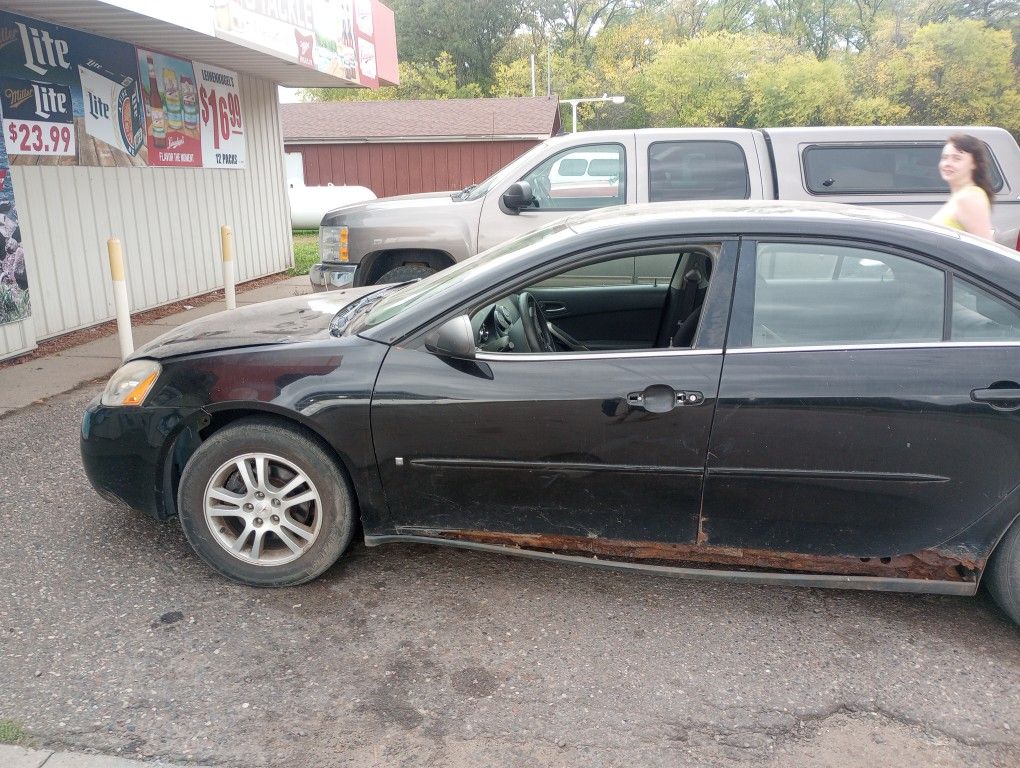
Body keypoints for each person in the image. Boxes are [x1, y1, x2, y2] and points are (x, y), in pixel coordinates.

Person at [931, 133, 994, 240]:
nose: (948, 163)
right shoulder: (960, 196)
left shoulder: (969, 198)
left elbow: (986, 250)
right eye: (945, 158)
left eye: (957, 158)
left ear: (974, 163)